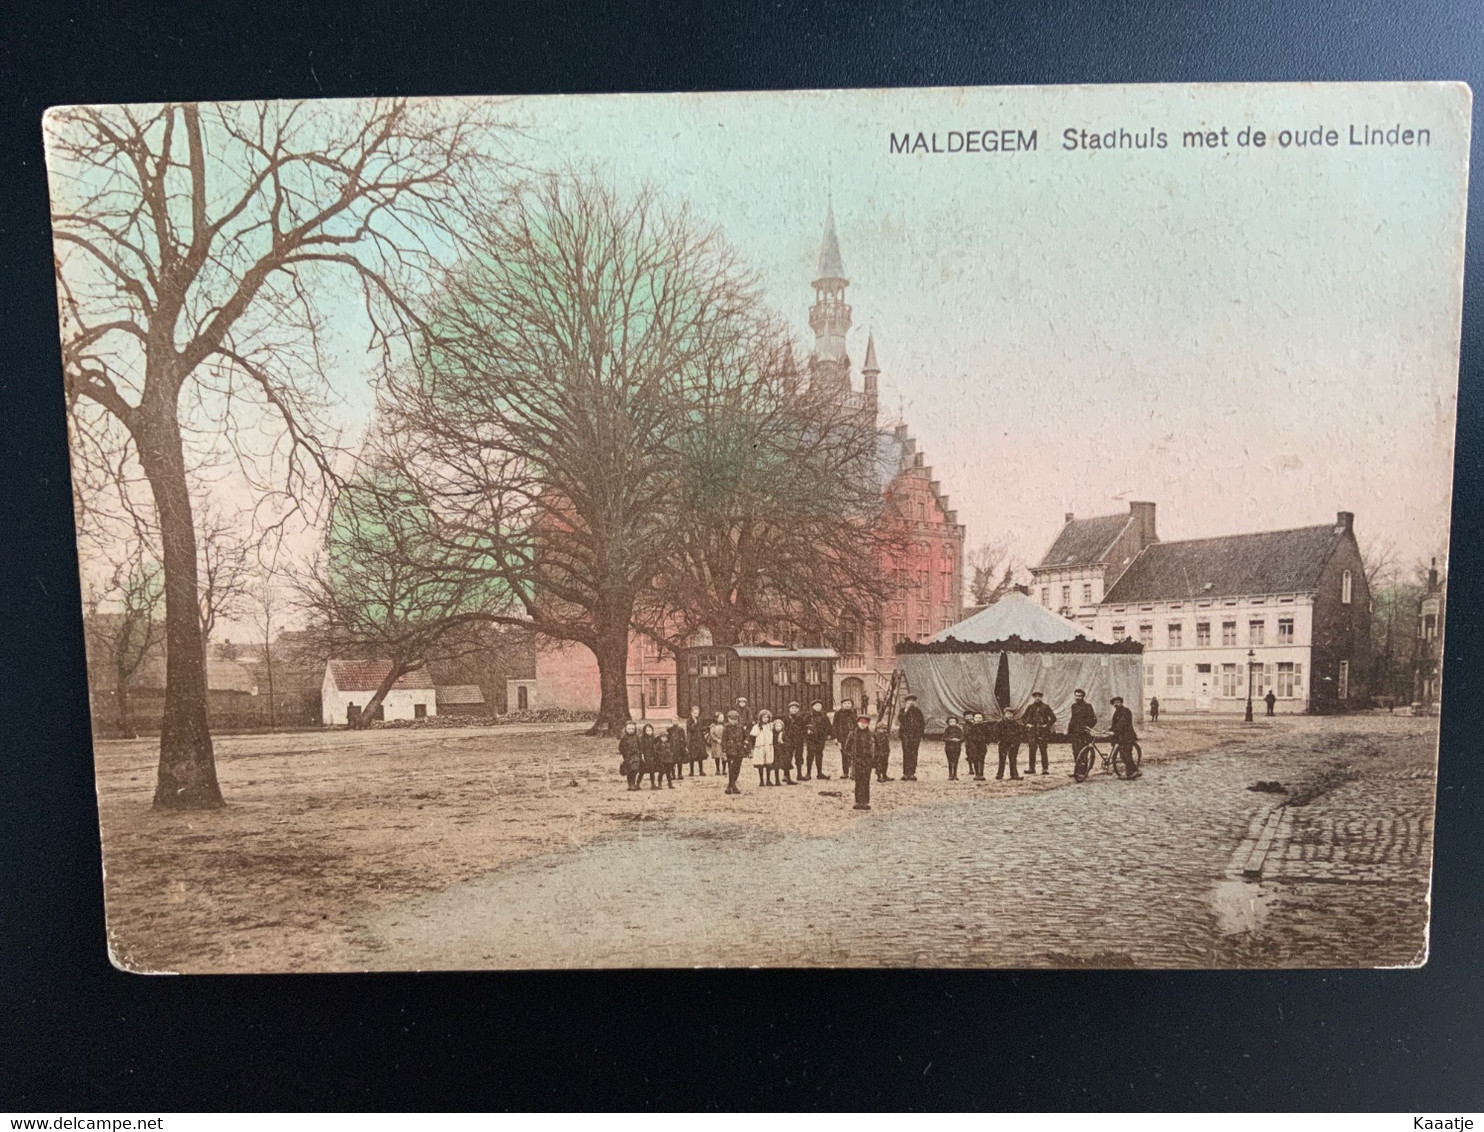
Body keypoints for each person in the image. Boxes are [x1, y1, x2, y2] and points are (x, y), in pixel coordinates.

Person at [1023, 691, 1056, 776]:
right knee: (1032, 751)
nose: (1037, 698)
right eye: (1035, 696)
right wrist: (1027, 724)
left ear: (1041, 697)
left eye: (1039, 696)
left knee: (1043, 751)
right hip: (1032, 732)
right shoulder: (1030, 707)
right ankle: (1031, 768)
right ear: (1033, 698)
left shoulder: (1045, 707)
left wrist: (1047, 725)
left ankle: (1045, 769)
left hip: (1042, 732)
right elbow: (1023, 718)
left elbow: (1053, 718)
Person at [1067, 688, 1097, 777]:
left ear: (1083, 696)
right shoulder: (1074, 706)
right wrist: (1069, 731)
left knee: (1083, 753)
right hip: (1075, 733)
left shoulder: (1088, 706)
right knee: (1075, 752)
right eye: (1076, 696)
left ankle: (1083, 772)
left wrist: (1087, 727)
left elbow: (1094, 719)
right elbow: (1072, 719)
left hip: (1084, 733)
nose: (1077, 697)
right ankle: (1076, 771)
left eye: (1079, 696)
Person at [848, 715, 875, 810]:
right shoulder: (853, 734)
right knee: (858, 782)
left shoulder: (871, 735)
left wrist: (873, 762)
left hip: (867, 762)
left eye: (865, 723)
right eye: (861, 722)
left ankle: (865, 802)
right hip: (857, 761)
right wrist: (850, 760)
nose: (863, 725)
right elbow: (847, 748)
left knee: (866, 781)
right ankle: (858, 801)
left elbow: (876, 749)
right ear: (857, 723)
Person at [1110, 696, 1140, 778]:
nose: (1116, 704)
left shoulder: (1126, 711)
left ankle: (1131, 773)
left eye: (1118, 702)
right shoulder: (1116, 712)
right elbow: (1114, 724)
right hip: (1121, 736)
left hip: (1128, 736)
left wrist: (1115, 731)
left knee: (1126, 754)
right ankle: (1135, 771)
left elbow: (1122, 723)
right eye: (1115, 703)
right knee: (1123, 755)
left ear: (1121, 703)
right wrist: (1109, 730)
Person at [898, 694, 925, 781]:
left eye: (912, 701)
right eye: (909, 701)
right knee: (906, 753)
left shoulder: (918, 711)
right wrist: (906, 710)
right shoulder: (903, 711)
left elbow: (922, 723)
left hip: (915, 736)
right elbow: (900, 719)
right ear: (906, 702)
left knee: (914, 753)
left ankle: (912, 773)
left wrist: (920, 734)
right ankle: (906, 773)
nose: (911, 703)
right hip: (905, 735)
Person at [722, 709, 748, 794]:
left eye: (735, 719)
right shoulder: (726, 728)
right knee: (731, 768)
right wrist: (724, 751)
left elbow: (745, 737)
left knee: (737, 768)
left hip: (739, 750)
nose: (733, 721)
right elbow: (724, 740)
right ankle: (731, 785)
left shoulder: (740, 727)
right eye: (731, 719)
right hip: (730, 750)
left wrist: (745, 744)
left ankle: (732, 785)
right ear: (728, 719)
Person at [804, 699, 832, 780]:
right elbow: (803, 726)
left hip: (820, 738)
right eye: (816, 706)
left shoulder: (824, 716)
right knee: (810, 755)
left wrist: (829, 734)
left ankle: (819, 774)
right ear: (812, 707)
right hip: (811, 739)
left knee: (819, 755)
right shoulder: (809, 716)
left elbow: (828, 726)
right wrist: (807, 730)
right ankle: (808, 773)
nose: (818, 707)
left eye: (819, 706)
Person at [782, 701, 808, 781]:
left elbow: (804, 729)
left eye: (796, 708)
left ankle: (799, 775)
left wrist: (803, 738)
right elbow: (783, 729)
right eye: (792, 708)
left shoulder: (801, 718)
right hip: (788, 741)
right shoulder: (786, 719)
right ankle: (786, 775)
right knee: (787, 757)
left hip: (798, 740)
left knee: (799, 757)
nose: (794, 710)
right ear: (789, 709)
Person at [996, 708, 1024, 781]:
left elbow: (1019, 734)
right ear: (1005, 714)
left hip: (1013, 744)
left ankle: (1014, 775)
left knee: (1013, 759)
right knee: (1002, 759)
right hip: (1003, 743)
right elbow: (996, 733)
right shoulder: (1000, 723)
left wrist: (1016, 743)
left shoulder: (1015, 723)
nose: (1009, 715)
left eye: (1011, 714)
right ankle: (999, 775)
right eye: (1008, 714)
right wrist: (1000, 740)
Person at [641, 723, 671, 789]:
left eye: (650, 730)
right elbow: (641, 748)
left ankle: (653, 784)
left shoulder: (654, 738)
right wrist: (642, 754)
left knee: (653, 770)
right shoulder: (642, 739)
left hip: (653, 756)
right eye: (647, 731)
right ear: (644, 731)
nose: (649, 732)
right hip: (646, 756)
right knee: (642, 771)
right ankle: (637, 783)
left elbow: (660, 740)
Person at [751, 709, 776, 787]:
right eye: (764, 717)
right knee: (760, 764)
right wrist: (753, 747)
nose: (766, 719)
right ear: (760, 717)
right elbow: (752, 737)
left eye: (767, 717)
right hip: (760, 747)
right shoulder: (757, 726)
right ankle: (761, 780)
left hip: (768, 746)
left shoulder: (771, 726)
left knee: (768, 763)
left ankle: (768, 780)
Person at [833, 699, 856, 779]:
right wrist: (835, 738)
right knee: (844, 755)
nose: (847, 705)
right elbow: (835, 726)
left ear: (851, 704)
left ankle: (853, 773)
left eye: (849, 703)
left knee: (853, 754)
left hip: (853, 737)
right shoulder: (838, 713)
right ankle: (845, 772)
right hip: (842, 738)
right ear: (842, 704)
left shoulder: (854, 713)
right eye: (845, 703)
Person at [618, 721, 643, 791]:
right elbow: (621, 748)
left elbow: (640, 746)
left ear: (635, 729)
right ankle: (630, 784)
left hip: (635, 756)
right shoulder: (624, 738)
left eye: (632, 729)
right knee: (629, 771)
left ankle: (633, 783)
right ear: (626, 729)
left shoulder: (637, 737)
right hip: (627, 756)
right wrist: (621, 756)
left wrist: (641, 754)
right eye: (629, 729)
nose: (631, 730)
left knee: (635, 769)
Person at [686, 705, 708, 776]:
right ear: (691, 713)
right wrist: (695, 723)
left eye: (697, 713)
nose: (696, 714)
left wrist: (706, 728)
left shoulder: (700, 719)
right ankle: (691, 771)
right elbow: (690, 729)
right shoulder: (689, 721)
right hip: (692, 741)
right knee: (692, 757)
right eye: (694, 713)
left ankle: (701, 771)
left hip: (699, 740)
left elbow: (701, 729)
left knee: (700, 756)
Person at [942, 714, 965, 780]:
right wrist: (951, 740)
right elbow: (943, 738)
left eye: (954, 721)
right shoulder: (947, 729)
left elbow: (963, 738)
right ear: (948, 723)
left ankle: (955, 774)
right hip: (949, 748)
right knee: (950, 761)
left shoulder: (959, 729)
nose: (952, 723)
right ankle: (950, 774)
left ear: (956, 722)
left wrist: (959, 740)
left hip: (957, 747)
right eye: (951, 722)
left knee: (956, 761)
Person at [873, 717, 893, 782]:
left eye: (885, 729)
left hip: (885, 751)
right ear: (878, 729)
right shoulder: (877, 735)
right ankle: (879, 776)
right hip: (879, 752)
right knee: (879, 764)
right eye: (882, 729)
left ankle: (884, 775)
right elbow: (877, 745)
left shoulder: (885, 735)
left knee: (885, 763)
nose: (884, 730)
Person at [708, 711, 726, 775]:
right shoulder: (713, 726)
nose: (722, 718)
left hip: (723, 742)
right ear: (717, 718)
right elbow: (712, 734)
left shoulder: (725, 725)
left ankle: (724, 769)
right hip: (716, 743)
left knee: (724, 756)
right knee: (717, 756)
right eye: (720, 717)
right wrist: (717, 739)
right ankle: (718, 769)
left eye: (723, 717)